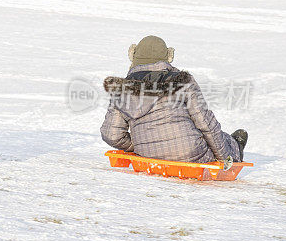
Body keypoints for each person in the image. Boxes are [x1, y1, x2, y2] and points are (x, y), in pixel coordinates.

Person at [101, 35, 247, 163]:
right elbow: (206, 123)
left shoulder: (122, 90)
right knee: (223, 138)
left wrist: (141, 144)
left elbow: (112, 135)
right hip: (192, 154)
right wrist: (226, 160)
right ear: (168, 57)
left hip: (147, 155)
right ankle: (236, 146)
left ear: (133, 57)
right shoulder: (183, 81)